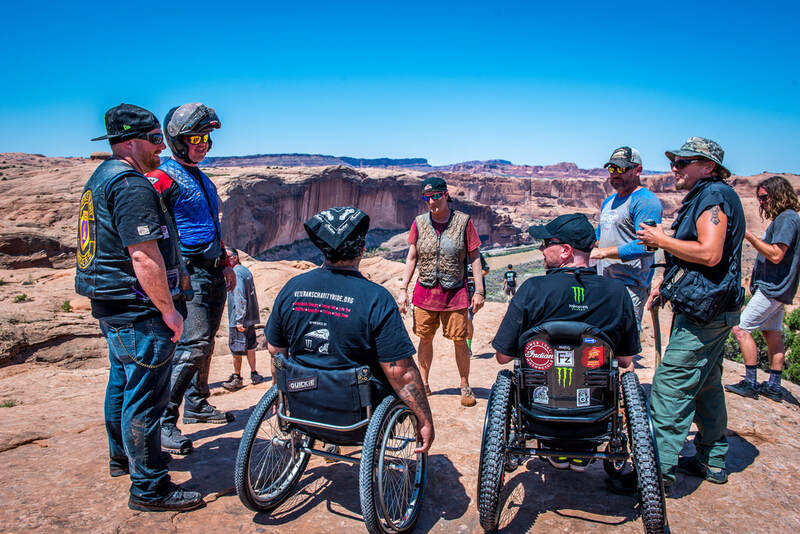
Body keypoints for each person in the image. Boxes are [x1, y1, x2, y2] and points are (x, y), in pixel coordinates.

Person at [76, 103, 202, 511]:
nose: (161, 147)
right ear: (130, 143)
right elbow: (144, 255)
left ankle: (123, 459)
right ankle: (149, 488)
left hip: (112, 304)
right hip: (139, 309)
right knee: (146, 397)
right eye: (154, 139)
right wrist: (169, 310)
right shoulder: (132, 186)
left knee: (122, 383)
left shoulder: (101, 177)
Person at [265, 207, 435, 453]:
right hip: (357, 420)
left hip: (301, 408)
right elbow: (401, 372)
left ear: (323, 249)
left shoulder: (292, 288)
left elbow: (275, 350)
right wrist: (424, 418)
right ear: (363, 249)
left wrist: (280, 390)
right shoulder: (376, 299)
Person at [492, 213, 640, 472]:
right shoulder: (617, 293)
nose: (541, 249)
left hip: (539, 414)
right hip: (595, 416)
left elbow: (503, 357)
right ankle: (581, 453)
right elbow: (625, 360)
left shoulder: (532, 289)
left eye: (545, 243)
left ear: (565, 251)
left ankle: (557, 452)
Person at [638, 137, 745, 490]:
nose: (674, 167)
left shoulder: (713, 197)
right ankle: (711, 459)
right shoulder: (709, 195)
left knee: (670, 386)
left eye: (683, 162)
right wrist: (665, 283)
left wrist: (661, 241)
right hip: (709, 307)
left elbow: (710, 253)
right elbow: (697, 257)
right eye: (675, 161)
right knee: (706, 385)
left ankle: (655, 474)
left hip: (705, 313)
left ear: (708, 166)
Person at [147, 103, 237, 456]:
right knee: (194, 343)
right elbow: (149, 229)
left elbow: (212, 226)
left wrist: (225, 261)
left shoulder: (200, 177)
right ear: (177, 140)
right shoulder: (163, 178)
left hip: (212, 268)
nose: (204, 145)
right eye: (197, 139)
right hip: (190, 271)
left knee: (206, 341)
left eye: (207, 139)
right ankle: (163, 421)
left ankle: (197, 402)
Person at [398, 177, 485, 407]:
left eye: (436, 196)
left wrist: (479, 291)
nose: (431, 202)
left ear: (446, 195)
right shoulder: (419, 223)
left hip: (455, 292)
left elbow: (474, 255)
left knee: (460, 339)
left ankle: (464, 384)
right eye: (426, 198)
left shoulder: (464, 222)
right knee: (425, 338)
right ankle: (424, 384)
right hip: (425, 292)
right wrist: (403, 288)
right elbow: (412, 257)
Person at [725, 176, 800, 402]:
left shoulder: (787, 219)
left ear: (778, 194)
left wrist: (749, 236)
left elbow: (776, 255)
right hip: (778, 288)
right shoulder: (788, 218)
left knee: (741, 329)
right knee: (771, 333)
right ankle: (774, 386)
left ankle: (750, 383)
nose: (762, 203)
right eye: (760, 198)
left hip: (773, 288)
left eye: (765, 198)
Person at [591, 146, 663, 329]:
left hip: (630, 287)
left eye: (621, 168)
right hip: (605, 283)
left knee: (623, 339)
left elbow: (647, 245)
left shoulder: (645, 201)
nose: (615, 174)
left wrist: (603, 253)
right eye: (612, 168)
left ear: (637, 170)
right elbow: (599, 239)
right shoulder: (609, 202)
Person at [222, 247, 266, 391]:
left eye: (226, 257)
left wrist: (239, 320)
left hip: (239, 319)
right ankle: (254, 374)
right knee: (250, 346)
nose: (224, 260)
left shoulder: (235, 273)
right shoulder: (245, 271)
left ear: (234, 257)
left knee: (236, 349)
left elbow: (240, 296)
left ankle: (237, 377)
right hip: (250, 318)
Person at [466, 252, 490, 356]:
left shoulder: (477, 255)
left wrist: (475, 278)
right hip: (461, 292)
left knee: (468, 318)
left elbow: (486, 270)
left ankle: (468, 347)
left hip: (473, 292)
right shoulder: (458, 254)